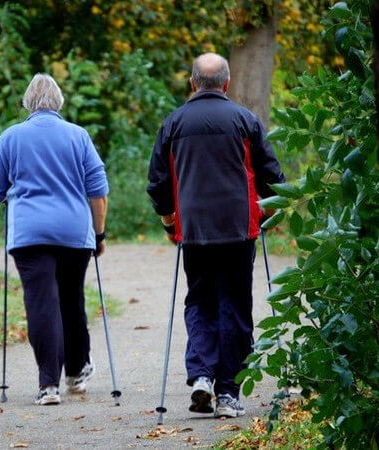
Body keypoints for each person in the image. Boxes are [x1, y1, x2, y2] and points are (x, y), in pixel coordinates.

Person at [146, 53, 285, 418]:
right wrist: (271, 208)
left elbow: (158, 183)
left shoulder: (173, 123)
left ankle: (202, 376)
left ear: (193, 83)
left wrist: (170, 223)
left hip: (194, 230)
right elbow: (272, 175)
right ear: (226, 83)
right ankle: (227, 393)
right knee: (235, 306)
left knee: (200, 301)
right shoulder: (245, 119)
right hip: (239, 229)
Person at [0, 73, 109, 405]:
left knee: (41, 304)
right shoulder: (78, 136)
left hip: (29, 235)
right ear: (60, 102)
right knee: (70, 300)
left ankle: (48, 385)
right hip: (73, 233)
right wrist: (99, 234)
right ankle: (77, 369)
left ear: (27, 103)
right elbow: (98, 191)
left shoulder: (11, 138)